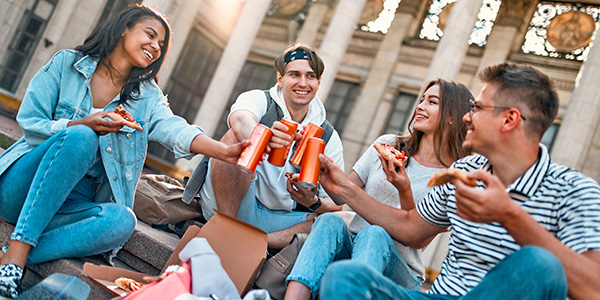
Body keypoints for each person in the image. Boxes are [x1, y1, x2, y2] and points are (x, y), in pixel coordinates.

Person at [0, 5, 246, 298]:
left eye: (161, 45)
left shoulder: (147, 97)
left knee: (123, 220)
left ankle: (15, 255)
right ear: (124, 29)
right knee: (81, 137)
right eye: (150, 35)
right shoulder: (67, 64)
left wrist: (224, 151)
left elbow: (175, 129)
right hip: (23, 186)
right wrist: (82, 123)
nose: (155, 47)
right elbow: (30, 121)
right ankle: (16, 254)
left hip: (72, 203)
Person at [317, 63, 600, 300]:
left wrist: (510, 215)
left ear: (509, 119)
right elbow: (411, 228)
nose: (466, 116)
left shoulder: (574, 191)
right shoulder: (464, 170)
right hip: (439, 296)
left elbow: (593, 288)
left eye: (477, 108)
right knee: (347, 277)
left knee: (540, 264)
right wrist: (344, 187)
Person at [284, 79, 473, 300]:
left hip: (401, 270)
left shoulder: (453, 176)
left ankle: (352, 293)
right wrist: (323, 176)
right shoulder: (388, 144)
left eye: (432, 102)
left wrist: (404, 189)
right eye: (421, 99)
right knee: (329, 221)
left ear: (452, 116)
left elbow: (417, 239)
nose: (420, 106)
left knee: (375, 233)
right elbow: (340, 197)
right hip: (352, 247)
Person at [196, 43, 345, 249]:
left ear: (319, 82)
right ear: (280, 79)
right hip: (232, 205)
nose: (303, 83)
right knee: (233, 139)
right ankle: (225, 231)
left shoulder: (328, 135)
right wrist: (263, 139)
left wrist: (313, 202)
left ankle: (252, 244)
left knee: (338, 223)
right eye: (294, 74)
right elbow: (240, 120)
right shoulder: (259, 99)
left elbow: (337, 204)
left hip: (278, 220)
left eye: (310, 76)